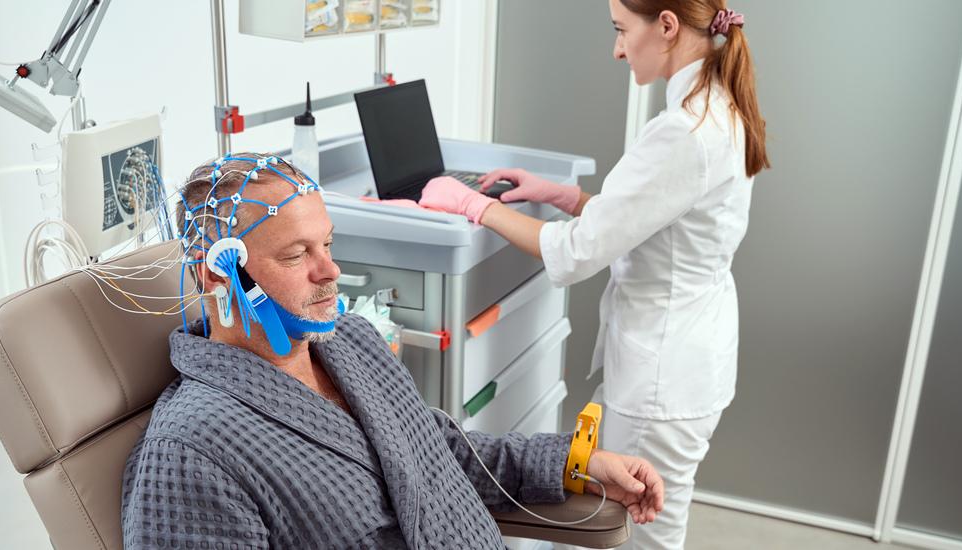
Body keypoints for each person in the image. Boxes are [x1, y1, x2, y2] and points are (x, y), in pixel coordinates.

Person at [120, 154, 665, 549]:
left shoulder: (352, 344)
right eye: (295, 255)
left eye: (328, 244)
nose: (330, 270)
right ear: (217, 273)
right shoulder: (192, 452)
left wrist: (580, 461)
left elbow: (441, 454)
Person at [416, 1, 769, 547]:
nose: (618, 49)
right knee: (645, 522)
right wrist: (567, 195)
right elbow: (658, 221)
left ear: (668, 26)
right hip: (688, 349)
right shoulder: (714, 106)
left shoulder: (685, 131)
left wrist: (471, 204)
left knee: (642, 531)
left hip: (663, 370)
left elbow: (578, 254)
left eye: (623, 31)